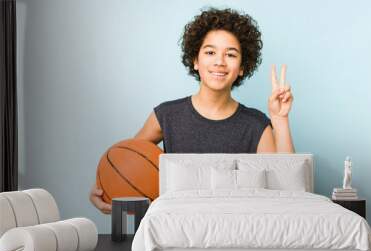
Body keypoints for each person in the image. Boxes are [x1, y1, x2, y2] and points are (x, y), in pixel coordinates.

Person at [90, 7, 295, 214]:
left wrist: (280, 119)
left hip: (236, 230)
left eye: (231, 54)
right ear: (195, 60)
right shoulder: (166, 116)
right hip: (177, 231)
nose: (219, 61)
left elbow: (288, 189)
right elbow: (127, 167)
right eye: (210, 52)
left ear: (242, 67)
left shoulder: (256, 125)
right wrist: (106, 190)